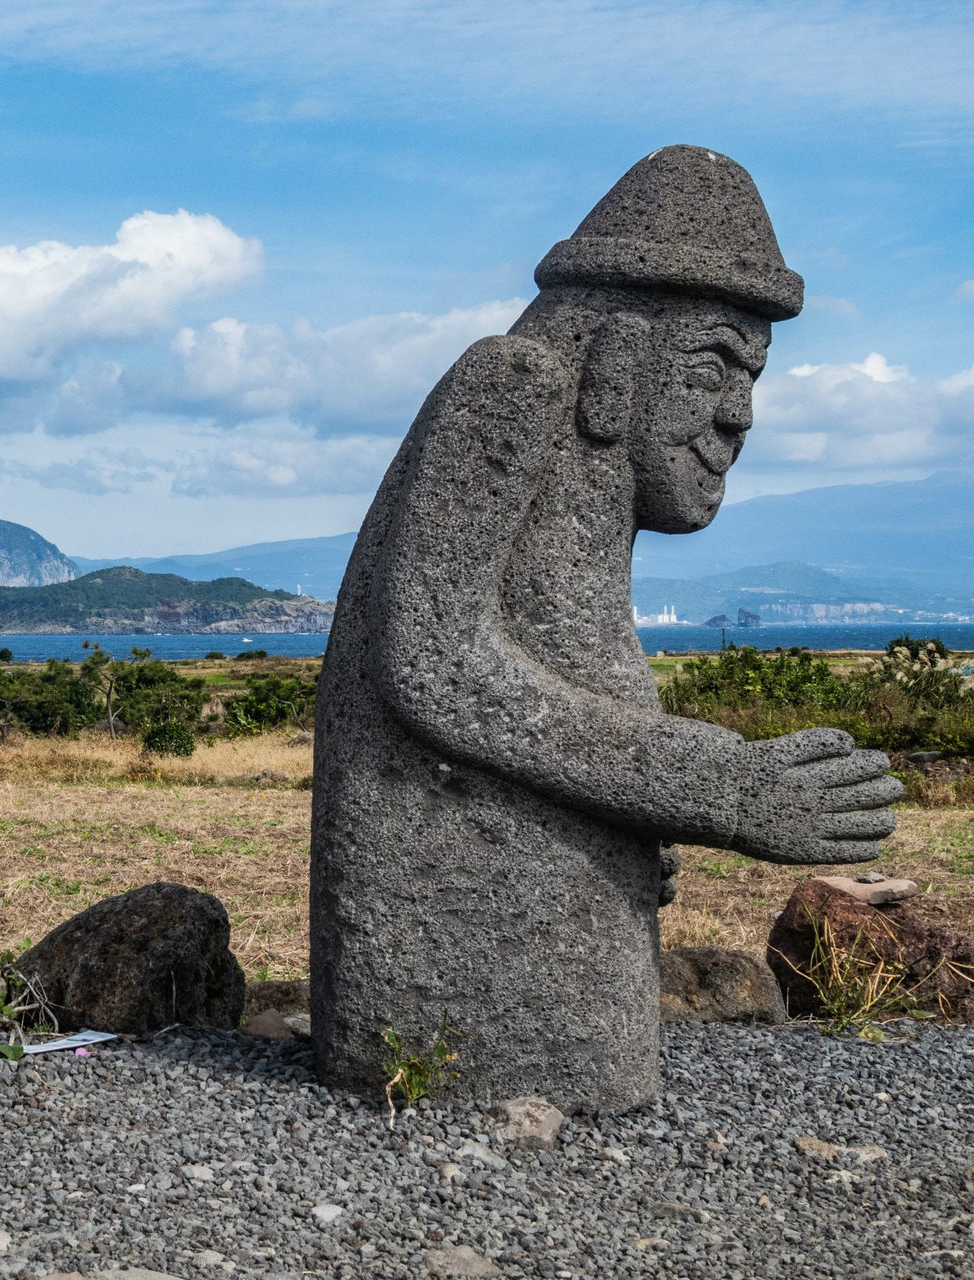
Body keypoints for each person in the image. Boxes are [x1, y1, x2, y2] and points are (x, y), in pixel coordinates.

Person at [312, 147, 902, 1112]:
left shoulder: (594, 491)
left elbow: (551, 652)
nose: (738, 416)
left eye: (753, 376)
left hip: (521, 866)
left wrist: (639, 810)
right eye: (715, 364)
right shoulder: (514, 385)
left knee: (601, 1066)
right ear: (619, 359)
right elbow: (432, 658)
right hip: (449, 862)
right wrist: (707, 782)